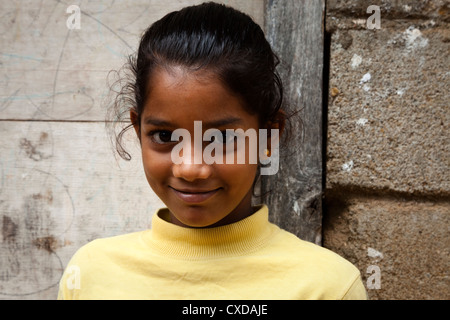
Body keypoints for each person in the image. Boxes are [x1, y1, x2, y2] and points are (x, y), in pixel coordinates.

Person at [58, 2, 367, 300]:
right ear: (138, 130)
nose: (190, 168)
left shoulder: (327, 286)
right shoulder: (90, 275)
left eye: (220, 139)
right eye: (165, 135)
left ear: (269, 135)